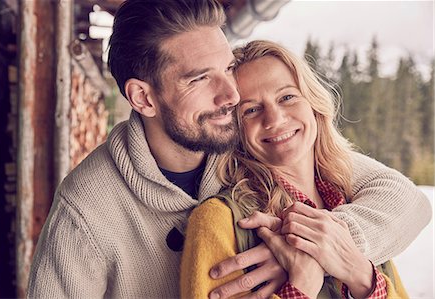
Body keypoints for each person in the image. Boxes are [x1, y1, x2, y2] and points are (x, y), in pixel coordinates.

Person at [27, 1, 431, 298]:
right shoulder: (85, 213)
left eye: (226, 69)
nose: (230, 95)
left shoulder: (245, 141)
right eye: (200, 78)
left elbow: (404, 200)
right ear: (143, 98)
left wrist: (321, 247)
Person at [180, 40, 429, 299]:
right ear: (235, 130)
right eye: (251, 110)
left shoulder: (357, 205)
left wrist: (358, 272)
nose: (275, 119)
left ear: (313, 102)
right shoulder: (218, 221)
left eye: (287, 97)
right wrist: (299, 287)